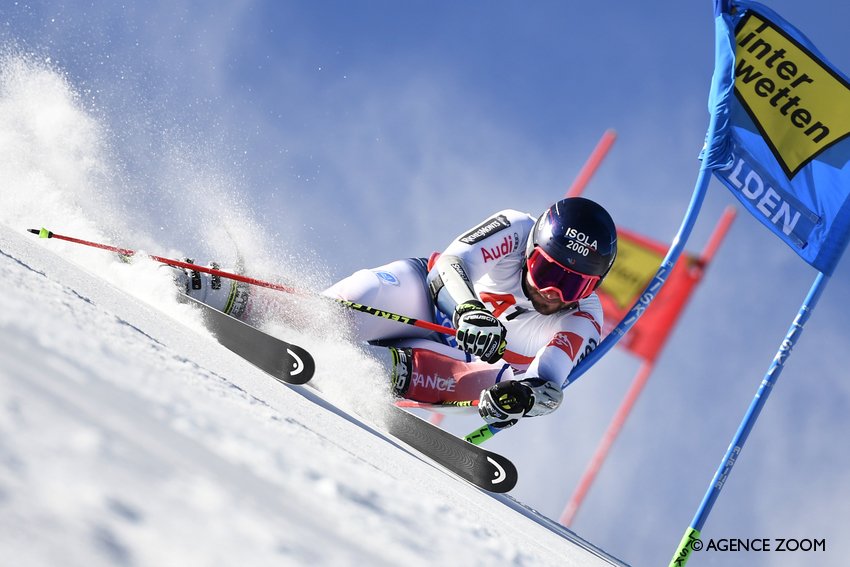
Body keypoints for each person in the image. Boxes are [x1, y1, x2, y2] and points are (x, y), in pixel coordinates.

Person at [323, 197, 617, 430]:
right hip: (425, 305)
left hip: (467, 364)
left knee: (492, 381)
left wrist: (521, 398)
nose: (553, 291)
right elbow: (447, 265)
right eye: (546, 270)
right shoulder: (515, 228)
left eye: (574, 285)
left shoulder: (585, 317)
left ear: (595, 286)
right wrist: (469, 311)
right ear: (531, 249)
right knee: (362, 295)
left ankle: (339, 366)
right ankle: (302, 316)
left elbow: (548, 383)